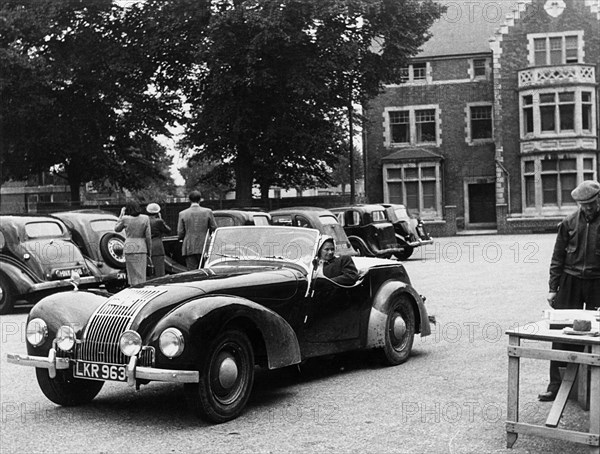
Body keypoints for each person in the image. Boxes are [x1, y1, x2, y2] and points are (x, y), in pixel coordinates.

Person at [539, 179, 600, 402]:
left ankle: (594, 387)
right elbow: (558, 257)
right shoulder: (569, 222)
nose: (589, 209)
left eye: (592, 204)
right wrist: (553, 288)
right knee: (562, 332)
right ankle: (556, 385)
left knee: (597, 333)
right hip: (571, 280)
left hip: (597, 282)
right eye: (584, 205)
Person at [177, 191, 217, 270]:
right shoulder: (208, 212)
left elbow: (180, 232)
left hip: (189, 246)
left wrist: (181, 238)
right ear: (200, 200)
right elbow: (214, 227)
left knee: (192, 271)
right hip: (205, 245)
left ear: (189, 200)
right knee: (205, 270)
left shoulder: (182, 213)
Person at [115, 200, 152, 286]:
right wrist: (149, 251)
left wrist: (121, 214)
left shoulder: (125, 219)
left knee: (132, 275)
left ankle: (133, 288)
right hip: (141, 248)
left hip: (129, 248)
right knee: (141, 274)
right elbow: (148, 236)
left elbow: (116, 229)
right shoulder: (145, 218)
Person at [146, 202, 171, 278]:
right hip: (157, 246)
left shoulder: (144, 220)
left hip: (146, 245)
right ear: (157, 212)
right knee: (159, 270)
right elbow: (168, 231)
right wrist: (161, 219)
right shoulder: (158, 221)